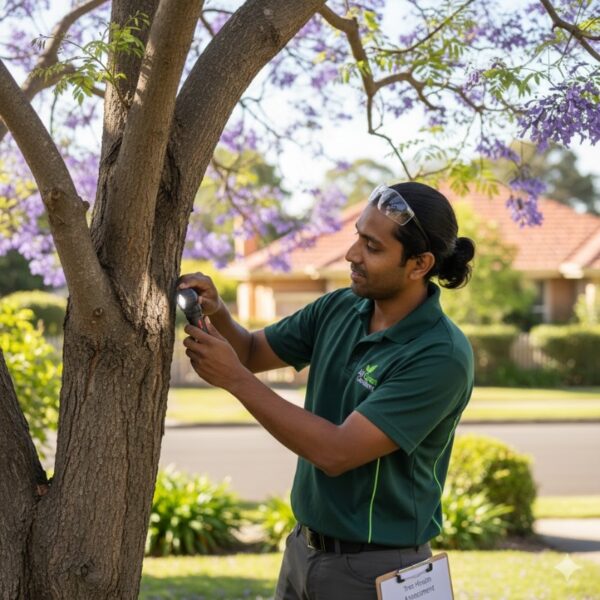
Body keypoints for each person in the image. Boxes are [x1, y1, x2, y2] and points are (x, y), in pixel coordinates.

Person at [178, 181, 475, 600]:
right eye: (358, 236)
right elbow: (249, 351)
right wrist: (219, 312)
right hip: (303, 550)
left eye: (372, 247)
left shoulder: (439, 355)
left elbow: (336, 452)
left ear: (419, 264)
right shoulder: (340, 307)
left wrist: (235, 381)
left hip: (380, 571)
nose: (352, 254)